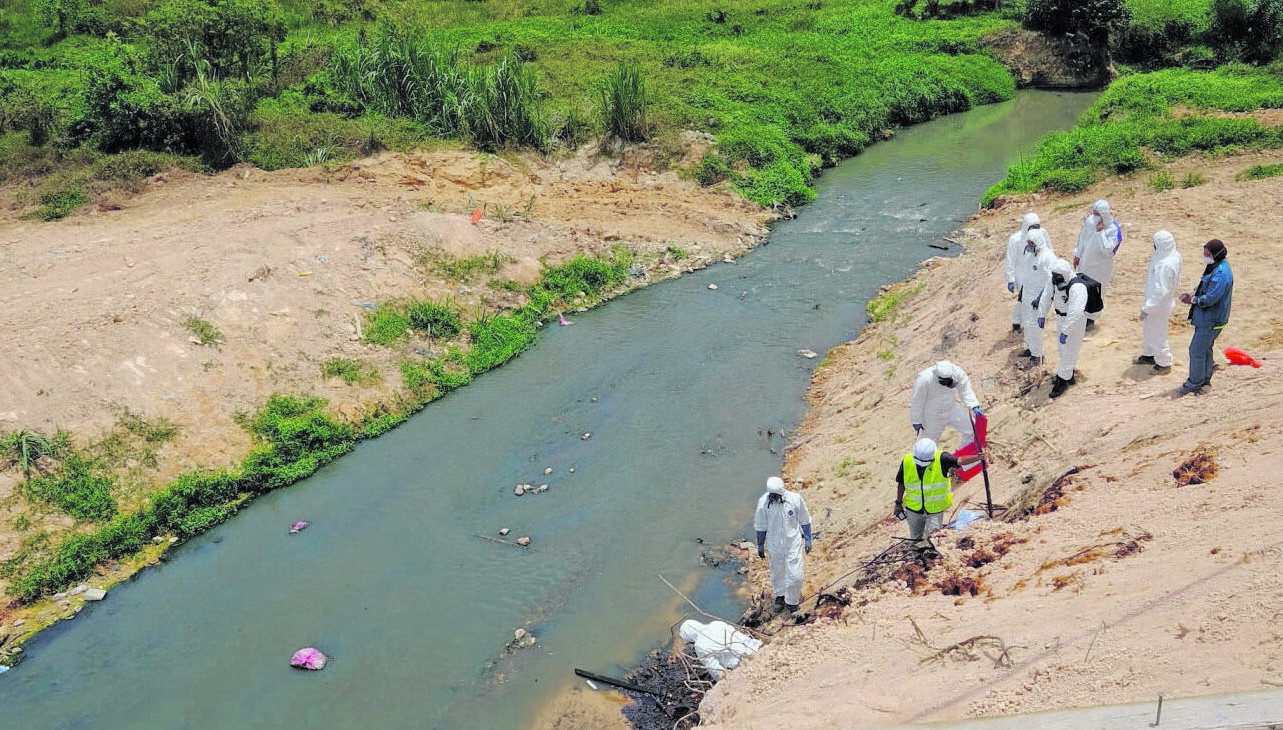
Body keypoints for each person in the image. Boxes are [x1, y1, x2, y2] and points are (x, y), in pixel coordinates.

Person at [893, 438, 984, 560]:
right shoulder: (907, 460)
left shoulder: (942, 458)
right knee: (915, 539)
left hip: (934, 511)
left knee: (932, 540)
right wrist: (898, 503)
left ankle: (931, 564)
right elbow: (901, 483)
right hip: (913, 509)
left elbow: (960, 460)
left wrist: (978, 457)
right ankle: (918, 562)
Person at [1179, 239, 1234, 394]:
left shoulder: (1221, 274)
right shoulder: (1216, 266)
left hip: (1211, 320)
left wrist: (1193, 300)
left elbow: (1210, 298)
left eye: (1207, 254)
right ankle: (1204, 381)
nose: (1204, 256)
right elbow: (1205, 285)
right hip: (1209, 318)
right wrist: (1194, 293)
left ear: (1216, 255)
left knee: (1196, 350)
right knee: (1205, 349)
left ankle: (1194, 384)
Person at [754, 476, 812, 615]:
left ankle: (792, 603)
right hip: (774, 545)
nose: (773, 497)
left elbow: (805, 519)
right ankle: (780, 597)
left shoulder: (795, 499)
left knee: (795, 575)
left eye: (775, 495)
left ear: (781, 492)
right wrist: (760, 545)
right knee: (777, 572)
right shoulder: (763, 502)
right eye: (771, 495)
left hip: (793, 543)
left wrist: (808, 539)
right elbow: (761, 525)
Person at [1073, 199, 1122, 331]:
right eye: (1093, 213)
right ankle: (1080, 315)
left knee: (1096, 291)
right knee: (1082, 288)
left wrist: (1100, 233)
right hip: (1086, 262)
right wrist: (1077, 254)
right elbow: (1082, 237)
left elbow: (1108, 250)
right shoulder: (1090, 221)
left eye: (1096, 214)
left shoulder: (1113, 229)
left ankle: (1091, 319)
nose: (1093, 216)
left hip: (1101, 266)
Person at [910, 360, 983, 449]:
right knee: (927, 443)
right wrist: (916, 420)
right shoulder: (924, 378)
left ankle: (960, 457)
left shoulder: (957, 372)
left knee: (972, 429)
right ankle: (926, 461)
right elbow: (917, 400)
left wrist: (973, 405)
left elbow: (965, 389)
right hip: (932, 414)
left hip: (951, 407)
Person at [1137, 230, 1182, 374]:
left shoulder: (1164, 265)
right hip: (1159, 302)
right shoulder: (1172, 254)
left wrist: (1147, 308)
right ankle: (1149, 354)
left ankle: (1163, 363)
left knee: (1157, 334)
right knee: (1149, 330)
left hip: (1158, 305)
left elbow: (1160, 292)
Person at [1049, 259, 1087, 399]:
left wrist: (1066, 330)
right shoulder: (1055, 282)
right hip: (1061, 319)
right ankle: (1068, 374)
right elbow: (1048, 295)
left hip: (1074, 322)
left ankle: (1062, 380)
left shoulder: (1077, 288)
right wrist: (1041, 313)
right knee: (1062, 349)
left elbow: (1075, 313)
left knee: (1069, 350)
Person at [1016, 227, 1055, 365]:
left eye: (1032, 243)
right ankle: (1030, 348)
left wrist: (1040, 299)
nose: (1029, 246)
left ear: (1038, 242)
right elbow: (1026, 275)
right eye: (1029, 243)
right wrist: (1021, 291)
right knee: (1027, 323)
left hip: (1037, 299)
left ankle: (1037, 355)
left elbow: (1051, 281)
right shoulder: (1030, 255)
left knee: (1034, 327)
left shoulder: (1047, 257)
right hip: (1027, 295)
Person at [1005, 212, 1041, 332]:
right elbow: (1010, 260)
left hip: (1035, 272)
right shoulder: (1015, 239)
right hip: (1021, 274)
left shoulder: (1040, 236)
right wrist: (1010, 279)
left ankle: (1017, 321)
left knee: (1027, 299)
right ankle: (1025, 324)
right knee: (1025, 299)